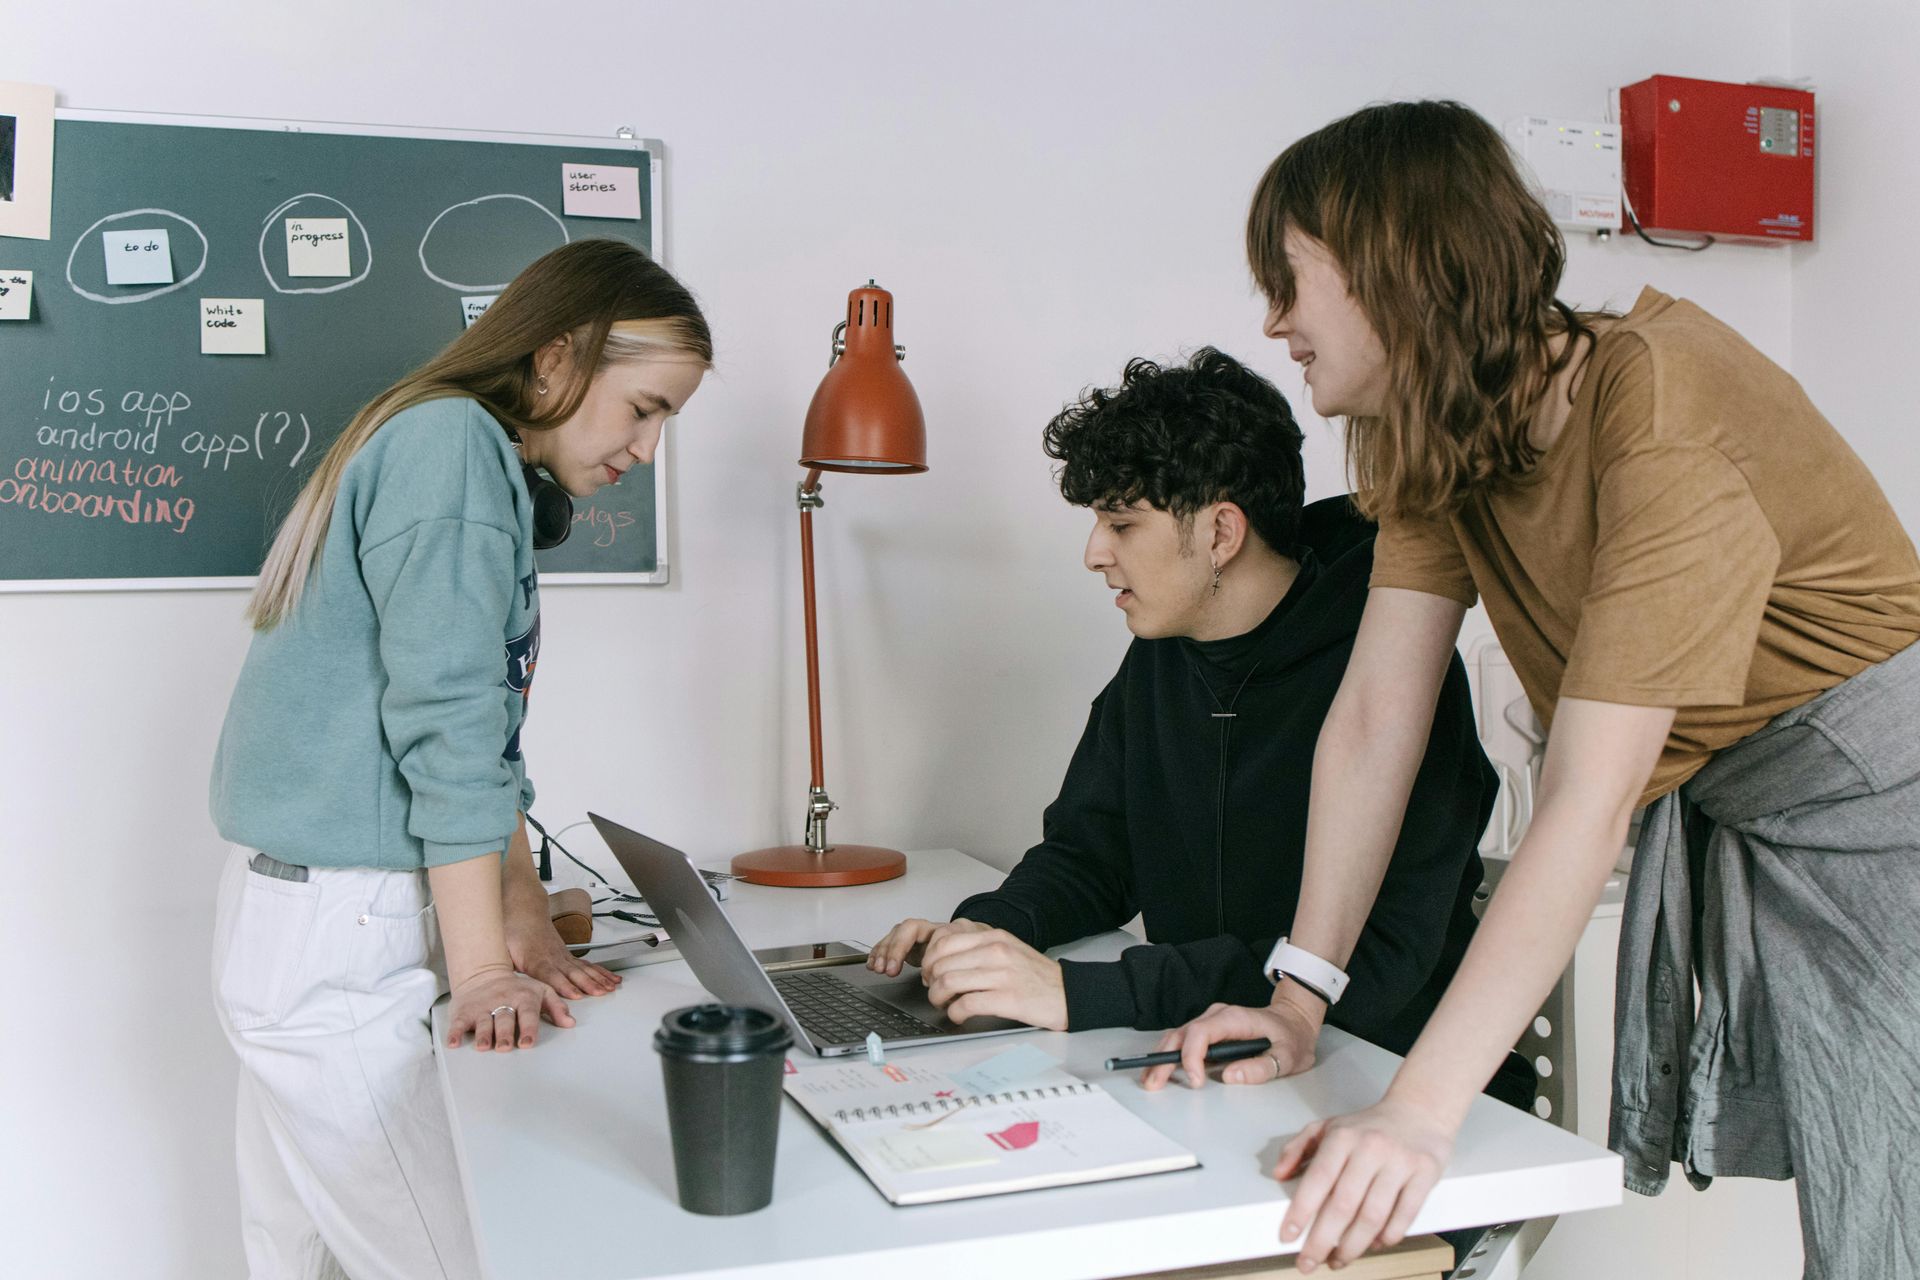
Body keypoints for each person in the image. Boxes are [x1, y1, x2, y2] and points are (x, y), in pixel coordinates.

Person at [1149, 100, 1920, 1277]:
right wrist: (1299, 996)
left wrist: (1419, 1111)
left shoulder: (1662, 412)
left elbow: (1587, 801)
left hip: (1887, 811)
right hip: (1770, 808)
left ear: (1395, 270)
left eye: (1290, 280)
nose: (1275, 320)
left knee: (1888, 1220)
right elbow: (1373, 722)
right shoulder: (1436, 436)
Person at [208, 238, 711, 1280]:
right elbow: (448, 725)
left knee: (296, 1255)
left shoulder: (451, 447)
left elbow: (478, 730)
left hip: (307, 918)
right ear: (557, 358)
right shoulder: (451, 448)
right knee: (456, 1260)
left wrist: (519, 916)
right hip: (338, 934)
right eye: (647, 406)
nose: (649, 449)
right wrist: (481, 966)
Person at [867, 349, 1527, 1105]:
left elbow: (1377, 962)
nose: (1093, 553)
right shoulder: (1163, 653)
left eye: (1121, 523)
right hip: (1216, 1066)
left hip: (1391, 1085)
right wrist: (987, 935)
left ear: (1221, 533)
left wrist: (1082, 993)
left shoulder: (1389, 668)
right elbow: (1094, 854)